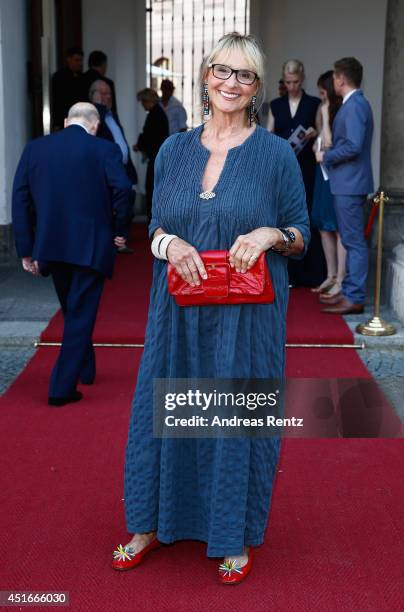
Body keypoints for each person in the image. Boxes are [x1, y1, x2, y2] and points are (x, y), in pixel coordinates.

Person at [114, 33, 310, 583]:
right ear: (205, 77)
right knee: (161, 412)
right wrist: (169, 245)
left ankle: (230, 533)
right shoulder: (174, 150)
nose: (231, 83)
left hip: (247, 317)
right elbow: (154, 225)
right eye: (222, 71)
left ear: (256, 88)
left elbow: (302, 234)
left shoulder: (274, 155)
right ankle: (148, 524)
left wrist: (273, 232)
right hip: (176, 309)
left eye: (244, 75)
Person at [12, 103, 132, 405]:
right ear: (94, 126)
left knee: (72, 309)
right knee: (80, 314)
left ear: (66, 121)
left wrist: (26, 248)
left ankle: (86, 369)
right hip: (91, 244)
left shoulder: (35, 149)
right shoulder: (104, 150)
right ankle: (61, 388)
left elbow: (20, 199)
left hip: (50, 245)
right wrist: (119, 229)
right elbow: (123, 190)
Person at [316, 57, 374, 315]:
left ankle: (354, 296)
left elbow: (353, 146)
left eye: (335, 78)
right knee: (351, 241)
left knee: (354, 242)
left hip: (350, 184)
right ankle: (350, 293)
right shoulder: (354, 104)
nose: (334, 82)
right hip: (347, 183)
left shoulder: (355, 106)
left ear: (340, 79)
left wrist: (326, 156)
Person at [267, 59, 324, 287]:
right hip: (283, 170)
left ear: (303, 79)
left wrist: (314, 132)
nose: (291, 86)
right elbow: (269, 135)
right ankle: (287, 274)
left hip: (307, 168)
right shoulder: (276, 104)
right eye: (288, 82)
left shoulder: (313, 103)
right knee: (283, 218)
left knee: (307, 217)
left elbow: (323, 133)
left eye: (296, 82)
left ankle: (311, 274)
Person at [89, 79, 138, 252]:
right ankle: (113, 242)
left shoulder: (112, 115)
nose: (107, 97)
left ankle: (119, 240)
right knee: (111, 208)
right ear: (93, 96)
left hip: (122, 169)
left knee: (125, 205)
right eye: (102, 94)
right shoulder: (95, 116)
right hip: (106, 171)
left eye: (109, 93)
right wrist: (97, 105)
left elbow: (120, 140)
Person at [310, 71, 346, 297]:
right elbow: (321, 141)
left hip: (337, 175)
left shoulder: (341, 111)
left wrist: (324, 111)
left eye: (324, 94)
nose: (321, 98)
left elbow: (330, 142)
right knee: (324, 227)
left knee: (337, 227)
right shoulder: (323, 109)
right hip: (321, 173)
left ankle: (341, 278)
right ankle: (330, 275)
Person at [134, 88, 169, 224]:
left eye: (143, 101)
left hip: (156, 158)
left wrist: (140, 145)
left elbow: (151, 136)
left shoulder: (155, 115)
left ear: (148, 101)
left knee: (152, 189)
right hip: (158, 157)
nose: (142, 105)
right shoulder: (157, 113)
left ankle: (153, 221)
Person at [51, 46, 84, 131]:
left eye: (81, 60)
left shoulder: (82, 77)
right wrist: (57, 123)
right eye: (77, 60)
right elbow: (56, 101)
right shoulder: (59, 77)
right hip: (64, 118)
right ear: (69, 59)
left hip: (80, 118)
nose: (80, 63)